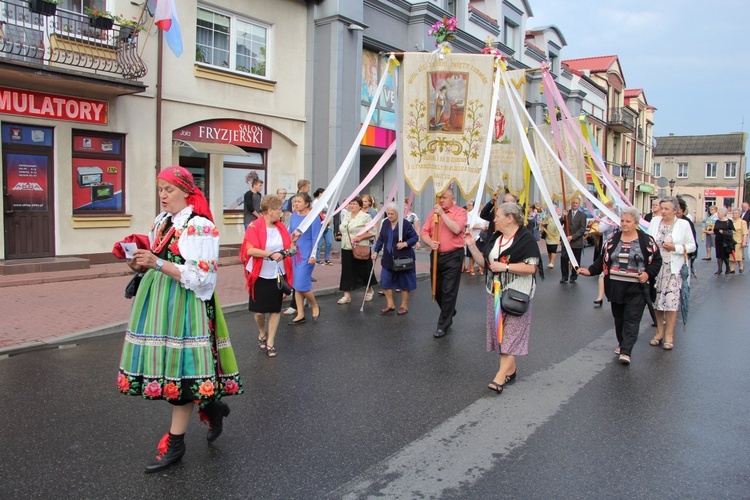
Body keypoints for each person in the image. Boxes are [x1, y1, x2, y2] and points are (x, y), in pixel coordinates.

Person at [119, 166, 243, 473]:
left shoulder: (200, 226)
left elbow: (202, 277)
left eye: (169, 189)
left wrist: (157, 262)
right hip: (159, 303)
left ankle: (176, 444)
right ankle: (213, 407)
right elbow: (153, 262)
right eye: (160, 189)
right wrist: (138, 263)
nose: (162, 195)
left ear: (187, 192)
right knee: (174, 371)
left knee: (182, 373)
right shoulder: (163, 222)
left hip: (187, 305)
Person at [464, 202, 542, 393]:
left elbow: (531, 267)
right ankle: (511, 370)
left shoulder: (527, 239)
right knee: (501, 336)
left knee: (512, 337)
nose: (495, 219)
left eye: (498, 216)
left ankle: (500, 376)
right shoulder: (496, 237)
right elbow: (486, 263)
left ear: (510, 218)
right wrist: (472, 246)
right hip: (495, 293)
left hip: (517, 294)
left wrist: (506, 267)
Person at [578, 207, 662, 364]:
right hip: (616, 286)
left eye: (628, 221)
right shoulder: (613, 240)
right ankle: (622, 342)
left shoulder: (646, 241)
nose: (624, 224)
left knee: (632, 318)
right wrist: (589, 271)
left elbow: (657, 261)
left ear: (636, 223)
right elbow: (603, 260)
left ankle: (626, 351)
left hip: (636, 287)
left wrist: (647, 274)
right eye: (622, 221)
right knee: (619, 319)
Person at [240, 195, 296, 358]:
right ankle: (262, 332)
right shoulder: (254, 226)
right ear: (270, 211)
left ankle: (270, 342)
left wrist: (290, 248)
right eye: (279, 209)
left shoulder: (281, 228)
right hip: (259, 272)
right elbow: (249, 250)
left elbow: (290, 248)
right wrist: (270, 254)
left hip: (277, 273)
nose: (281, 212)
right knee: (258, 312)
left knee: (275, 309)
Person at [647, 196, 697, 350]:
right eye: (661, 208)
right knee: (656, 302)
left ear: (675, 210)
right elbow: (648, 240)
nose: (662, 211)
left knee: (670, 303)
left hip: (673, 269)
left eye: (666, 209)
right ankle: (659, 332)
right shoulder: (655, 221)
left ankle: (669, 334)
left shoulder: (683, 224)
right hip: (656, 268)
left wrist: (675, 248)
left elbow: (692, 246)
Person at [421, 189, 468, 337]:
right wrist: (430, 242)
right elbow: (424, 233)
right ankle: (449, 310)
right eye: (439, 197)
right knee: (437, 289)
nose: (441, 200)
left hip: (453, 256)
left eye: (444, 197)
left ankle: (443, 325)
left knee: (449, 290)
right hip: (436, 255)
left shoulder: (460, 212)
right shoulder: (432, 213)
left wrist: (442, 214)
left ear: (452, 199)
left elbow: (456, 229)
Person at [372, 203, 419, 315]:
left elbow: (415, 237)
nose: (389, 216)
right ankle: (390, 304)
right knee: (385, 281)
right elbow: (381, 239)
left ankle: (404, 306)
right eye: (388, 213)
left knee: (405, 283)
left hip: (403, 258)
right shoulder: (386, 223)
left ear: (398, 213)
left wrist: (405, 243)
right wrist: (375, 251)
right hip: (388, 257)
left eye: (392, 214)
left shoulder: (405, 224)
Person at [288, 193, 322, 325]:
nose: (296, 204)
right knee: (296, 285)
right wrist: (290, 248)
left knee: (301, 284)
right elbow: (291, 234)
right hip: (295, 254)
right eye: (294, 201)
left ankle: (314, 305)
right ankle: (300, 314)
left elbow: (316, 238)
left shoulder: (314, 218)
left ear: (307, 203)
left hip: (307, 255)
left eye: (299, 201)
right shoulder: (293, 216)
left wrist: (314, 255)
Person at [338, 197, 377, 304]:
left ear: (360, 206)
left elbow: (373, 231)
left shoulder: (366, 217)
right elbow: (343, 228)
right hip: (346, 246)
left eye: (354, 204)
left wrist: (360, 237)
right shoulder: (346, 215)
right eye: (350, 204)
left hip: (360, 247)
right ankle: (346, 295)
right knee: (346, 271)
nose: (352, 206)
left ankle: (369, 289)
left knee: (363, 269)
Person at [592, 200, 618, 306]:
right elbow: (601, 229)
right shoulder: (605, 219)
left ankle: (615, 296)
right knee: (603, 272)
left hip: (618, 248)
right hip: (607, 248)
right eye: (608, 209)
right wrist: (609, 221)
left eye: (611, 209)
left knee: (616, 272)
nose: (610, 211)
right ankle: (600, 296)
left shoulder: (620, 219)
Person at [559, 197, 587, 284]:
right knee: (563, 257)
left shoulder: (582, 215)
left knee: (575, 260)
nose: (574, 204)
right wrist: (563, 216)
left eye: (576, 203)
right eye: (573, 203)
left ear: (579, 204)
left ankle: (574, 276)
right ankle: (564, 276)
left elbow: (582, 229)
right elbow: (560, 223)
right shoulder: (567, 213)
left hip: (576, 241)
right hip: (566, 241)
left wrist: (573, 237)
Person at [710, 206, 735, 275]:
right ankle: (719, 269)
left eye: (719, 213)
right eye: (718, 213)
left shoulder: (729, 222)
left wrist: (724, 232)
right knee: (718, 255)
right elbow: (715, 230)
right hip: (718, 239)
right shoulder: (717, 221)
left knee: (725, 255)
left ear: (724, 214)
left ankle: (727, 267)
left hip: (726, 241)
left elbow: (733, 231)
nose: (718, 214)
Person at [312, 187, 333, 265]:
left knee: (329, 242)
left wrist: (329, 219)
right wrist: (323, 220)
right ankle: (317, 258)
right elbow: (318, 213)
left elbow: (328, 212)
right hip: (320, 223)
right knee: (319, 242)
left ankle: (327, 258)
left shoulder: (325, 202)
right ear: (320, 194)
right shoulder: (316, 202)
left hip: (327, 224)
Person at [731, 208, 747, 273]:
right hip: (730, 240)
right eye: (733, 213)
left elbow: (745, 233)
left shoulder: (742, 222)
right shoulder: (730, 221)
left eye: (736, 213)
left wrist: (744, 241)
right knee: (730, 255)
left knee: (738, 255)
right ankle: (732, 268)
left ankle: (741, 265)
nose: (734, 214)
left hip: (738, 241)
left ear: (739, 214)